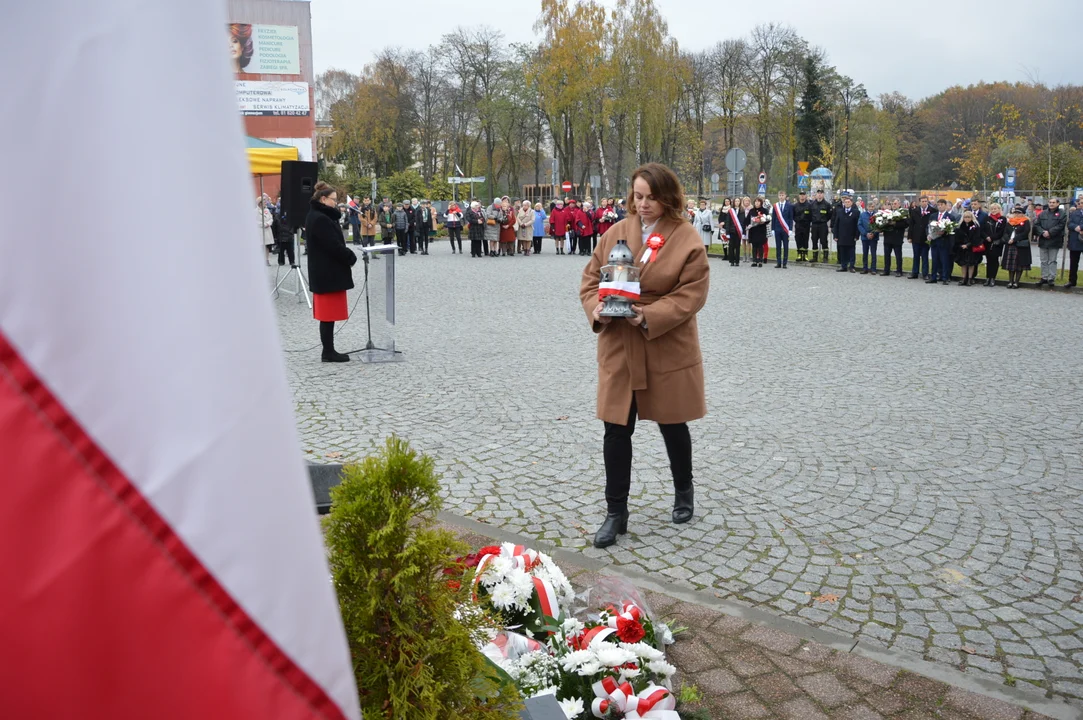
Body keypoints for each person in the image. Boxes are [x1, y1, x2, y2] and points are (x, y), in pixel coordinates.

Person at [578, 162, 709, 549]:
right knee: (616, 428)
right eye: (638, 196)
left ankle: (683, 491)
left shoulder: (686, 239)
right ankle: (615, 512)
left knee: (673, 424)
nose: (644, 204)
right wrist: (597, 309)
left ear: (668, 198)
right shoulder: (616, 232)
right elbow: (589, 281)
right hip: (620, 345)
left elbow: (692, 294)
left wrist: (647, 315)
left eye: (652, 197)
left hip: (663, 343)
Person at [305, 183, 357, 363]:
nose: (336, 203)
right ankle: (328, 352)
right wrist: (350, 256)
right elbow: (333, 246)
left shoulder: (319, 215)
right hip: (326, 272)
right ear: (323, 199)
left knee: (328, 316)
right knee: (327, 316)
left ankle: (329, 350)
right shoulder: (320, 219)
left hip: (325, 271)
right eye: (334, 200)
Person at [1034, 197, 1066, 288]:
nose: (1051, 204)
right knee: (1043, 260)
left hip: (1054, 239)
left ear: (1057, 203)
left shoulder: (1062, 213)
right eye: (1050, 202)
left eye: (1053, 202)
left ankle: (1051, 277)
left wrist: (1050, 232)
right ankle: (1044, 277)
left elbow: (1061, 225)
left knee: (1052, 260)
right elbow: (1037, 224)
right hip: (1043, 239)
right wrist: (1042, 232)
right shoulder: (1043, 213)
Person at [1003, 206, 1033, 289]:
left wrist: (1014, 239)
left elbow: (1025, 233)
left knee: (1019, 264)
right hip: (1010, 244)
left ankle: (1016, 282)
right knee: (1011, 265)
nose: (1017, 214)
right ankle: (1010, 281)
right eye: (1015, 213)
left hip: (1020, 245)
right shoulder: (1010, 222)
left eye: (1019, 213)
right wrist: (1008, 239)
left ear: (1023, 214)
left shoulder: (1026, 222)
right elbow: (1005, 232)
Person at [927, 199, 955, 285]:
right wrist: (928, 235)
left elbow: (952, 230)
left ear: (946, 205)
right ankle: (933, 277)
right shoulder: (933, 216)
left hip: (944, 241)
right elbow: (928, 226)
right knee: (934, 260)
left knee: (944, 260)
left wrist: (945, 231)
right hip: (934, 241)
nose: (940, 206)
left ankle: (945, 278)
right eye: (938, 205)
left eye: (942, 205)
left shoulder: (950, 217)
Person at [953, 210, 983, 286]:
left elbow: (977, 238)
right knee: (963, 264)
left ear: (971, 217)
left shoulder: (975, 226)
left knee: (971, 264)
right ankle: (963, 278)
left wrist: (968, 245)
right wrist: (961, 245)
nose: (967, 218)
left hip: (971, 247)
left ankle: (970, 278)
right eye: (965, 217)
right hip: (962, 248)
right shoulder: (960, 226)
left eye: (968, 217)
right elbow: (957, 237)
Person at [831, 195, 860, 272]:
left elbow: (858, 225)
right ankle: (843, 266)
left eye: (848, 202)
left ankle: (851, 266)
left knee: (851, 251)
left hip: (851, 235)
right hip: (841, 235)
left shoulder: (856, 212)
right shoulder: (840, 212)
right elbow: (836, 224)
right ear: (843, 203)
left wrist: (857, 236)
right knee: (842, 251)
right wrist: (835, 235)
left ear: (851, 203)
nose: (847, 203)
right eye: (845, 202)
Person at [981, 202, 1007, 286]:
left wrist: (992, 237)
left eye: (995, 209)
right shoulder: (987, 218)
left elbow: (1001, 231)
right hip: (987, 242)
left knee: (994, 260)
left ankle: (993, 278)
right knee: (988, 260)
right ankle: (988, 277)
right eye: (992, 209)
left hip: (996, 242)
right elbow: (983, 229)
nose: (993, 210)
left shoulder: (1002, 219)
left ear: (999, 209)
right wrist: (986, 237)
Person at [908, 195, 933, 279]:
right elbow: (911, 224)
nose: (924, 203)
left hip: (926, 237)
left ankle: (925, 274)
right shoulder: (915, 211)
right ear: (919, 202)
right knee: (916, 255)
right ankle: (915, 272)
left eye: (926, 201)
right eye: (922, 201)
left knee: (925, 256)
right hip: (916, 237)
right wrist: (910, 236)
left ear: (928, 201)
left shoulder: (932, 211)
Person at [881, 198, 906, 277]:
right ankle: (886, 270)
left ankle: (899, 271)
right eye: (892, 204)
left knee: (898, 255)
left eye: (895, 204)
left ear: (899, 204)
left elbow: (906, 224)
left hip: (897, 237)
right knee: (887, 255)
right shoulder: (888, 213)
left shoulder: (903, 213)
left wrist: (895, 223)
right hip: (888, 237)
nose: (893, 205)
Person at [744, 197, 769, 267]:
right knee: (754, 246)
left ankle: (760, 260)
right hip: (753, 230)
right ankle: (754, 260)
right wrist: (747, 225)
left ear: (761, 203)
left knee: (760, 246)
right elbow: (747, 220)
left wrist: (763, 221)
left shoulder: (764, 210)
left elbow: (768, 220)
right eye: (756, 202)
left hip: (761, 230)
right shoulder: (751, 210)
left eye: (758, 202)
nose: (757, 203)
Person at [771, 190, 793, 268]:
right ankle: (778, 262)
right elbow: (773, 218)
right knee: (778, 246)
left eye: (782, 195)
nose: (781, 197)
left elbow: (791, 218)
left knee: (786, 246)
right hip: (777, 229)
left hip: (785, 229)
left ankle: (785, 263)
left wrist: (790, 229)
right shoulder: (775, 206)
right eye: (780, 195)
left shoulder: (789, 205)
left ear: (785, 196)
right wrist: (772, 229)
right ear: (778, 196)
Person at [809, 189, 832, 263]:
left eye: (821, 193)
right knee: (814, 240)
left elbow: (829, 215)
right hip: (814, 225)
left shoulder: (827, 204)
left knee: (824, 241)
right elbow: (810, 214)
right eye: (818, 193)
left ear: (823, 195)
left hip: (823, 225)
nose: (819, 195)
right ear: (816, 195)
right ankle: (814, 257)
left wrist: (824, 220)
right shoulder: (812, 204)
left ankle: (825, 258)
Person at [857, 199, 879, 274]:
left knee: (873, 254)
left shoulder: (877, 215)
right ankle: (865, 268)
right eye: (870, 206)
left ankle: (873, 269)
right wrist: (866, 234)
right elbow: (859, 225)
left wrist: (873, 233)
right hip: (865, 237)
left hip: (874, 237)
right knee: (865, 253)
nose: (871, 208)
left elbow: (879, 226)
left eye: (872, 206)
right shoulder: (862, 215)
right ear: (867, 207)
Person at [1066, 197, 1083, 289]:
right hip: (1075, 240)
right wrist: (1075, 227)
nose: (1081, 204)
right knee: (1073, 263)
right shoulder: (1074, 213)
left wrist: (1081, 227)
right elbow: (1069, 224)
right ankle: (1072, 281)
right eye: (1080, 203)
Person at [721, 198, 742, 266]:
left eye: (738, 201)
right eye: (736, 201)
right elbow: (728, 222)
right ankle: (732, 260)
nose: (737, 202)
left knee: (737, 247)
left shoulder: (742, 211)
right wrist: (727, 233)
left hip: (739, 231)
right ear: (733, 202)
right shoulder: (731, 211)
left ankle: (737, 261)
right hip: (731, 231)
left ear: (740, 202)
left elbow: (743, 221)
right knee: (731, 246)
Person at [793, 190, 812, 261]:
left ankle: (805, 254)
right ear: (799, 196)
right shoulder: (795, 205)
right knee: (798, 239)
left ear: (805, 196)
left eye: (803, 195)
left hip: (806, 225)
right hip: (798, 225)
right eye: (801, 195)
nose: (802, 196)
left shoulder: (809, 205)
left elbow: (811, 215)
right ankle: (799, 254)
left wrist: (807, 221)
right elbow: (793, 215)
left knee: (805, 240)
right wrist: (797, 220)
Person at [257, 196, 275, 266]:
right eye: (264, 201)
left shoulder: (267, 210)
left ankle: (266, 260)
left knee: (267, 246)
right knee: (261, 246)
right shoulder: (255, 211)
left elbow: (271, 218)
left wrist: (268, 223)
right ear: (260, 203)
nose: (266, 203)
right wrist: (263, 224)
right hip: (260, 230)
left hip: (267, 230)